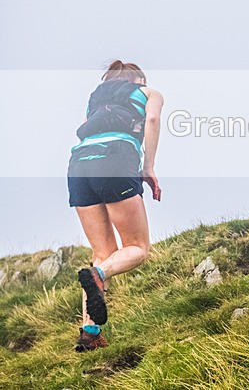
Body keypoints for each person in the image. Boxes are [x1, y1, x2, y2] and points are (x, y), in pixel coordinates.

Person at [67, 61, 163, 351]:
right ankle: (99, 276)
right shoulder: (149, 92)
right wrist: (148, 167)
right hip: (116, 158)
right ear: (140, 78)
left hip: (78, 165)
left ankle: (90, 333)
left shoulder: (95, 97)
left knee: (102, 254)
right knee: (138, 248)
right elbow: (153, 121)